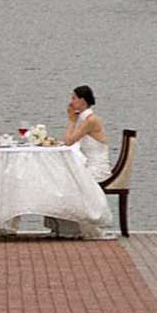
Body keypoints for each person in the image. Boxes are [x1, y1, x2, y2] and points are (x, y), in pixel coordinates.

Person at [45, 83, 108, 238]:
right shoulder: (86, 119)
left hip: (98, 168)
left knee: (69, 182)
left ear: (82, 101)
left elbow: (69, 141)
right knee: (58, 179)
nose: (71, 102)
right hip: (90, 165)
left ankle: (70, 228)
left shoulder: (90, 120)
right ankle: (61, 226)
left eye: (73, 98)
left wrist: (71, 120)